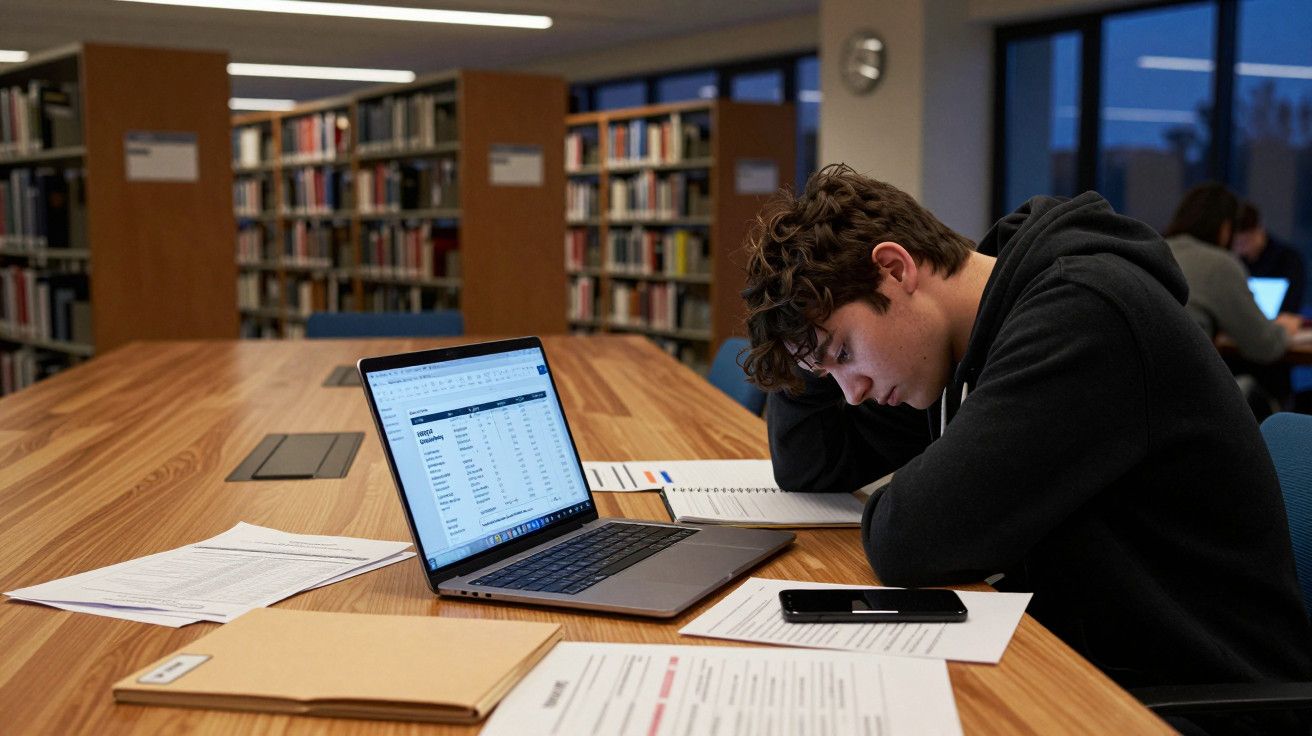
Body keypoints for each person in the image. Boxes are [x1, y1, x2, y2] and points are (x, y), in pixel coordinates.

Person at [740, 165, 1312, 700]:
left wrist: (921, 489)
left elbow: (908, 540)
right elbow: (813, 463)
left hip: (1196, 698)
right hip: (1087, 662)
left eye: (846, 352)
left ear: (894, 269)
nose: (853, 392)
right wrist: (806, 329)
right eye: (830, 372)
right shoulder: (959, 343)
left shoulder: (1081, 315)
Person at [1232, 201, 1306, 315]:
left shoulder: (1288, 260)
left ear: (1259, 230)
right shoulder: (1232, 260)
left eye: (1245, 242)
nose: (1241, 249)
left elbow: (1291, 308)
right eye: (1236, 244)